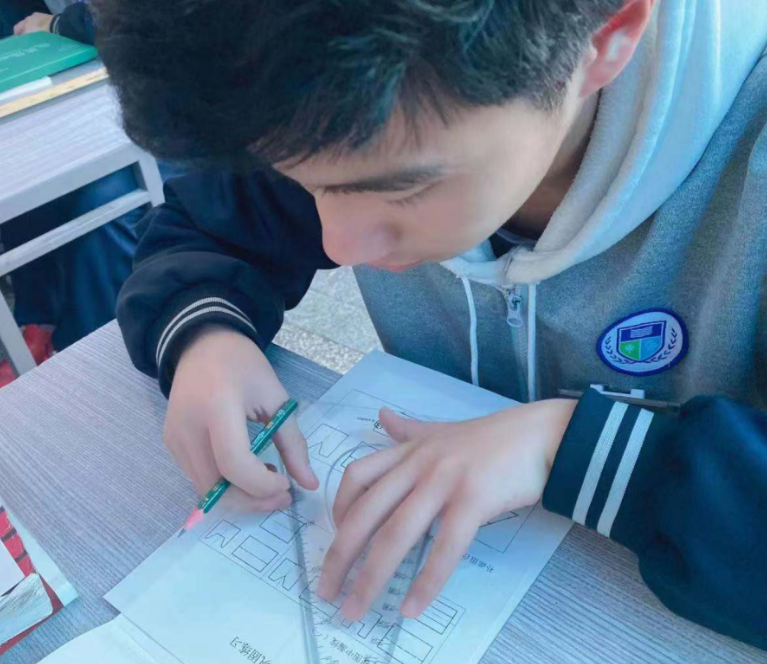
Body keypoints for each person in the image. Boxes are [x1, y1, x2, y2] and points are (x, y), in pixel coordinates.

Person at [95, 0, 767, 649]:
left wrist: (570, 447)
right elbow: (206, 228)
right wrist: (204, 334)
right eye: (298, 180)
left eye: (402, 189)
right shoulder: (329, 104)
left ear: (605, 37)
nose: (336, 245)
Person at [0, 0, 167, 393]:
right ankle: (40, 323)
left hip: (182, 101)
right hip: (89, 82)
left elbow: (149, 16)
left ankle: (92, 359)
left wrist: (59, 24)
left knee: (108, 199)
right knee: (27, 173)